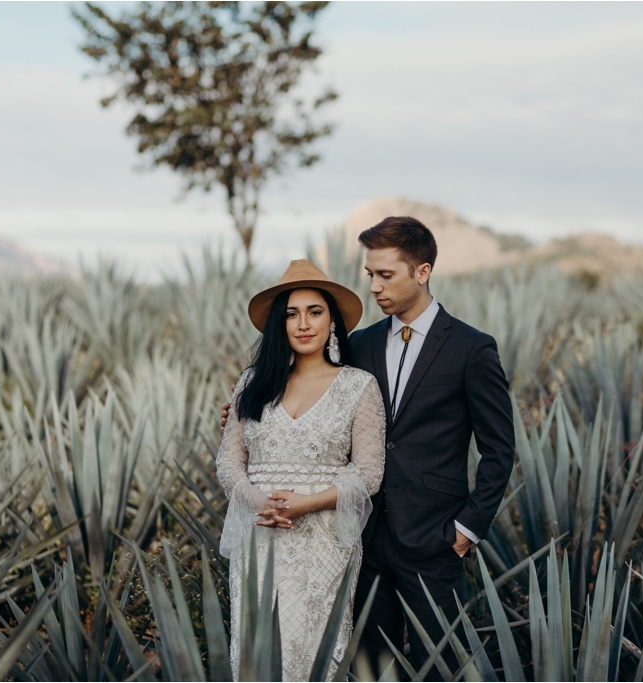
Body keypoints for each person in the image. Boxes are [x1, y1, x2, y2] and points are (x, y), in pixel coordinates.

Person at [221, 216, 515, 679]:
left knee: (439, 665)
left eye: (386, 275)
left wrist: (466, 530)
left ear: (422, 271)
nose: (375, 287)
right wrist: (244, 412)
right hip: (362, 537)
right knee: (370, 668)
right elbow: (312, 391)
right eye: (370, 275)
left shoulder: (470, 349)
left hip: (434, 538)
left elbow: (500, 450)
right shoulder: (360, 343)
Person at [216, 259, 387, 682]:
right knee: (256, 655)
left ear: (332, 321)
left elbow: (369, 473)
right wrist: (261, 501)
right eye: (291, 314)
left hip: (323, 540)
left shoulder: (358, 386)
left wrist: (307, 503)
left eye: (315, 312)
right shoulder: (253, 382)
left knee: (312, 656)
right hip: (259, 533)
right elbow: (229, 460)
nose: (303, 323)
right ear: (280, 324)